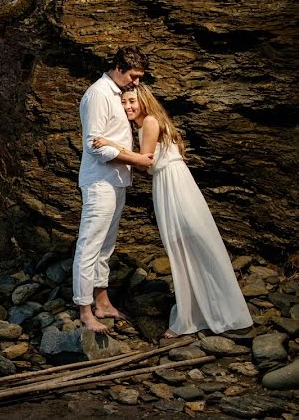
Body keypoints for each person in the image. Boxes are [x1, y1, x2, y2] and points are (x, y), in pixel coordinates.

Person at [93, 86, 253, 337]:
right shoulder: (145, 123)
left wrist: (109, 145)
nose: (127, 107)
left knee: (191, 245)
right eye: (123, 102)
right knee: (185, 248)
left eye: (132, 101)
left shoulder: (150, 121)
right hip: (170, 183)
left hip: (174, 185)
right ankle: (199, 312)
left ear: (144, 100)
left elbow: (146, 161)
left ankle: (211, 314)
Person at [73, 46, 155, 334]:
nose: (136, 83)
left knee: (105, 247)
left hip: (116, 180)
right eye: (133, 76)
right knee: (90, 246)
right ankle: (85, 310)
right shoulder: (98, 94)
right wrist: (136, 159)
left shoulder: (116, 93)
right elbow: (93, 145)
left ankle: (103, 301)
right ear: (119, 67)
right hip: (99, 181)